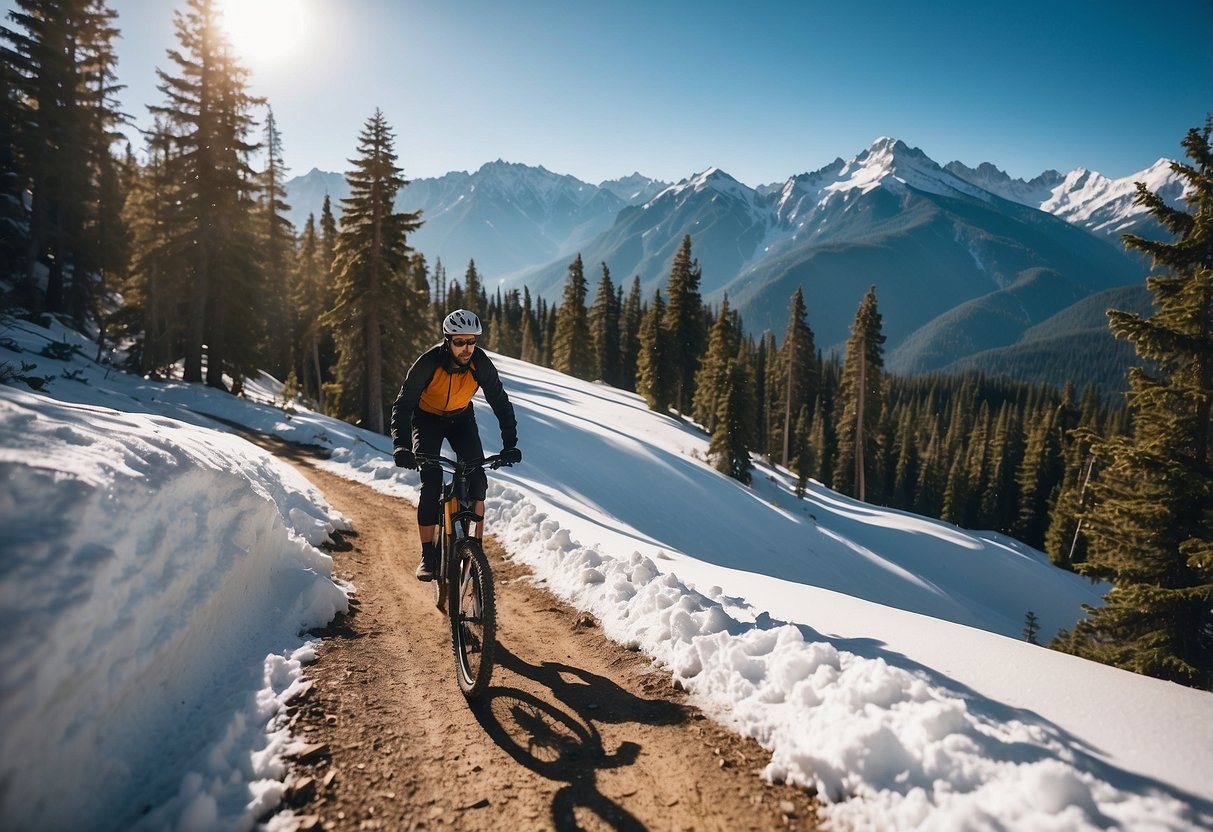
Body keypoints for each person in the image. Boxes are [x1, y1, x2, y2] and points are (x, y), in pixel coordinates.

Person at [390, 309, 522, 581]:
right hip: (427, 420)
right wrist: (402, 446)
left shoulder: (480, 363)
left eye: (472, 341)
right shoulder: (428, 363)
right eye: (460, 342)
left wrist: (510, 443)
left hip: (462, 419)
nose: (467, 348)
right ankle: (428, 555)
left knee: (478, 481)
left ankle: (476, 550)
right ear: (447, 340)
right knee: (431, 481)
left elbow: (500, 401)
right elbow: (403, 405)